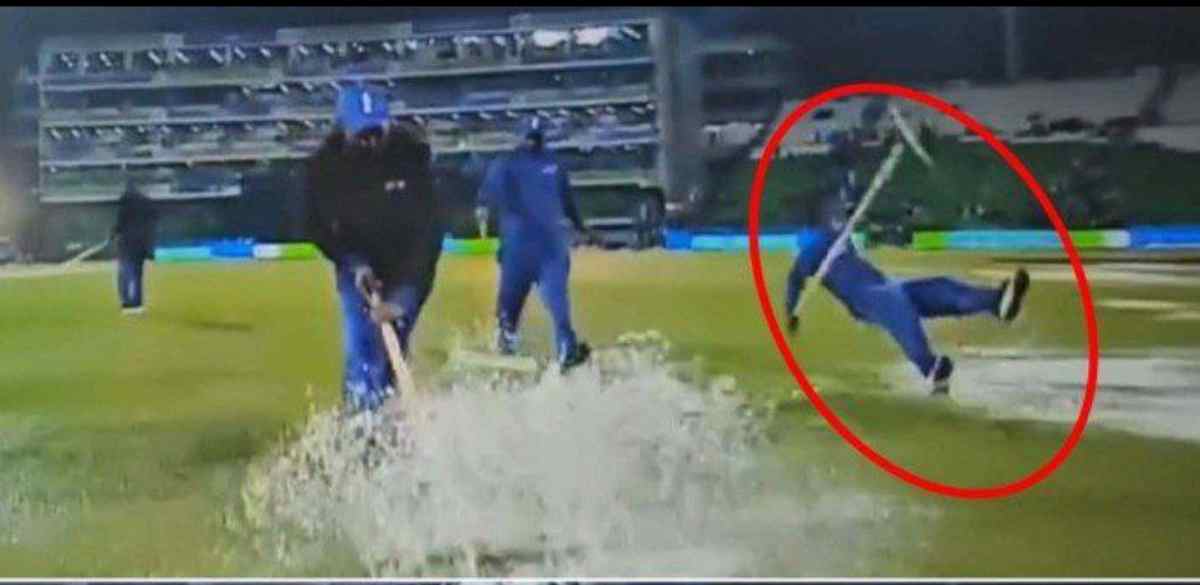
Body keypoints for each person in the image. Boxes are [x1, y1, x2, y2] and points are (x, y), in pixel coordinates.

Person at [783, 132, 1030, 394]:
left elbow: (846, 194)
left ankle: (994, 302)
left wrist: (859, 162)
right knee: (898, 310)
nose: (833, 216)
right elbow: (795, 279)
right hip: (867, 299)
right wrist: (791, 310)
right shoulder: (813, 249)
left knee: (937, 289)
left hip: (883, 286)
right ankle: (930, 368)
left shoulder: (840, 239)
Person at [305, 84, 444, 413]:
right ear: (344, 128)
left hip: (406, 270)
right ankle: (359, 428)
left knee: (393, 351)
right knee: (364, 353)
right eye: (361, 132)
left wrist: (403, 298)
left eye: (376, 130)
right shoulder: (323, 167)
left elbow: (429, 233)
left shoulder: (411, 158)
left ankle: (389, 421)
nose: (370, 139)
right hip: (357, 268)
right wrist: (353, 263)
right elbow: (314, 226)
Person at [475, 115, 595, 372]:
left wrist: (581, 227)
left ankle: (566, 346)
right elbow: (485, 199)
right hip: (520, 247)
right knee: (510, 304)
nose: (531, 141)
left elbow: (567, 201)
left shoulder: (552, 165)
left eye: (535, 137)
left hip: (547, 246)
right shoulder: (506, 164)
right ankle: (507, 342)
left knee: (557, 300)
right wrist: (484, 217)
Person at [111, 183, 158, 315]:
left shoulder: (125, 205)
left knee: (125, 273)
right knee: (137, 274)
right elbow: (153, 222)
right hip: (142, 243)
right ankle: (137, 303)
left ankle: (127, 303)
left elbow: (120, 224)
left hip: (127, 243)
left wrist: (113, 234)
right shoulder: (148, 204)